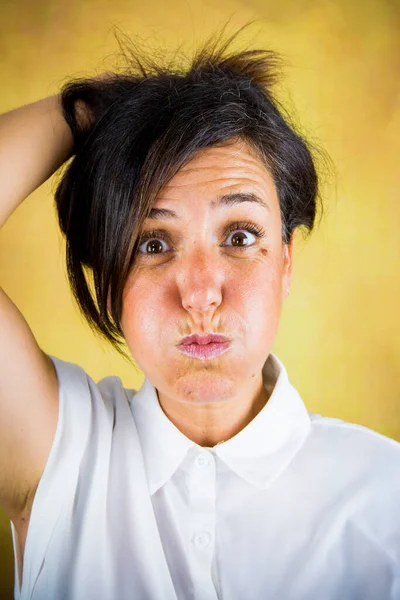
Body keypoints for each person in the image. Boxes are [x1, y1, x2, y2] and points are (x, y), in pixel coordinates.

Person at [0, 25, 399, 600]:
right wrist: (86, 111)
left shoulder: (388, 494)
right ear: (108, 280)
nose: (199, 293)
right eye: (153, 243)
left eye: (239, 236)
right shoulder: (61, 456)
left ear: (284, 262)